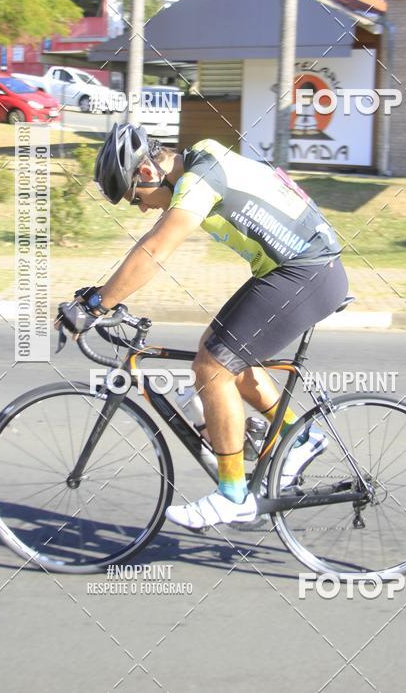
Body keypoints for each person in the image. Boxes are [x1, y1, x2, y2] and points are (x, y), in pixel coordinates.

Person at [57, 124, 348, 530]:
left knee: (211, 367)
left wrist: (96, 305)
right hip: (299, 271)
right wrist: (104, 298)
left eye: (135, 199)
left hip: (307, 274)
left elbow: (156, 248)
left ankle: (233, 496)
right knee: (220, 352)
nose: (141, 208)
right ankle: (300, 438)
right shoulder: (202, 155)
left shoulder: (199, 180)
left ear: (145, 173)